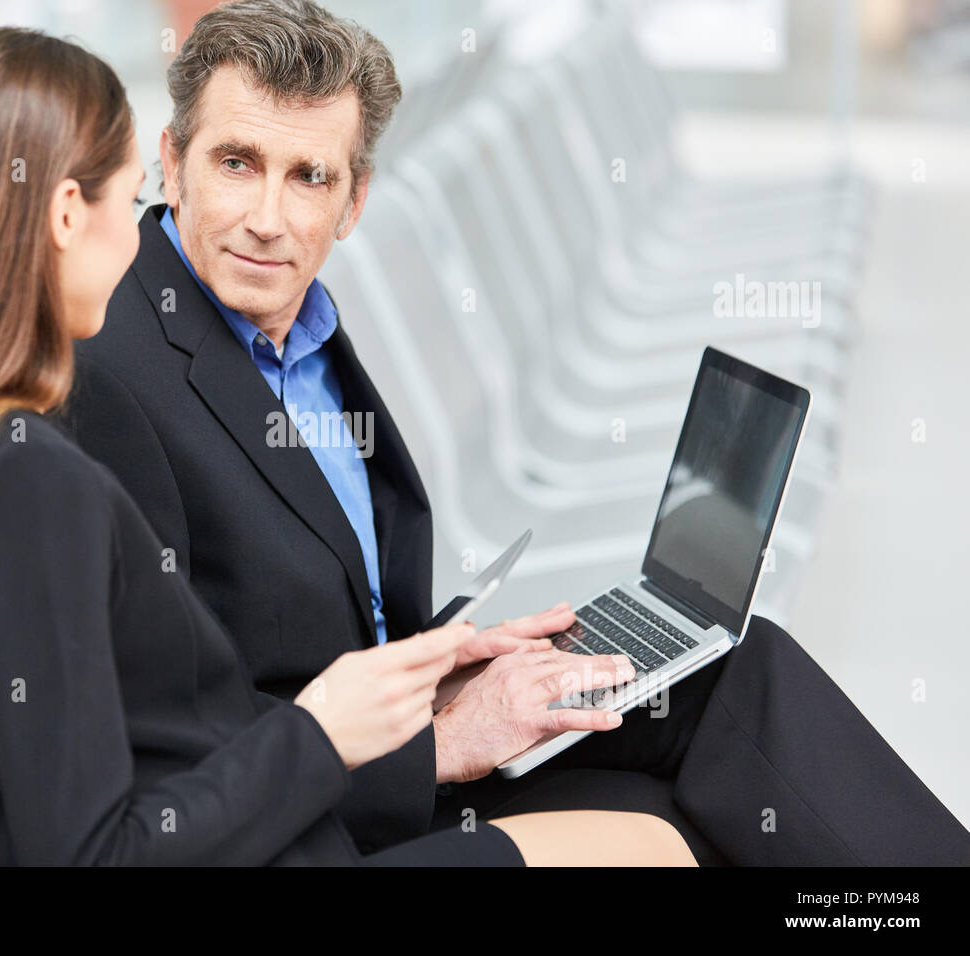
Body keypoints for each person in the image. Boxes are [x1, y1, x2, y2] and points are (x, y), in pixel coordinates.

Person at [66, 0, 970, 864]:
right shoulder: (116, 369)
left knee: (731, 672)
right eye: (237, 163)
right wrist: (442, 741)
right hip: (311, 813)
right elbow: (171, 730)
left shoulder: (299, 332)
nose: (269, 218)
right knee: (705, 813)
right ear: (171, 159)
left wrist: (454, 670)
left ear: (354, 202)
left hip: (404, 727)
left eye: (310, 177)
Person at [0, 26, 697, 867]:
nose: (141, 237)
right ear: (64, 215)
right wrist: (324, 730)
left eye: (308, 178)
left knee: (673, 779)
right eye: (130, 198)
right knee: (651, 839)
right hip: (279, 838)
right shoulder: (30, 481)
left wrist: (405, 683)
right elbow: (99, 844)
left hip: (270, 822)